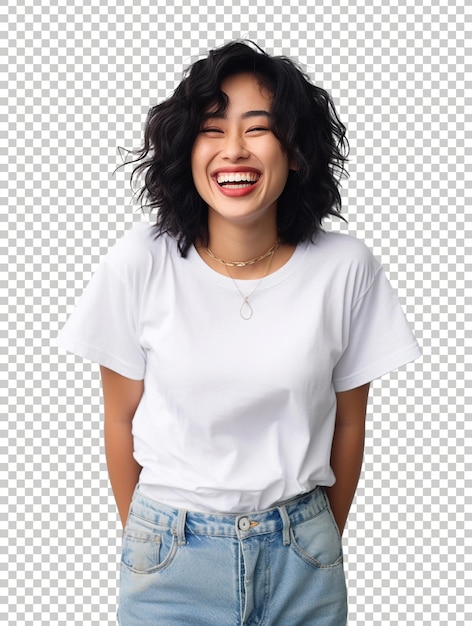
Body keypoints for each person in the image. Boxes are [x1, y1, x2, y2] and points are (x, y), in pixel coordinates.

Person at [57, 41, 421, 625]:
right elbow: (119, 417)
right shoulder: (139, 261)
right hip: (170, 559)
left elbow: (350, 422)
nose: (233, 150)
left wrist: (315, 540)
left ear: (296, 151)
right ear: (186, 147)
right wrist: (150, 543)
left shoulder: (346, 267)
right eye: (211, 128)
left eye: (258, 129)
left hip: (302, 557)